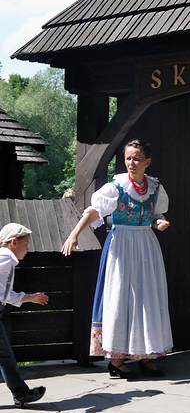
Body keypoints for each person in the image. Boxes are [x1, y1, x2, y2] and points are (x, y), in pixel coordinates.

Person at [62, 139, 172, 379]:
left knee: (147, 296)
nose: (131, 163)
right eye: (128, 158)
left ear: (147, 162)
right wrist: (74, 233)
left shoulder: (154, 186)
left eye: (136, 158)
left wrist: (158, 221)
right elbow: (95, 210)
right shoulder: (117, 185)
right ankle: (116, 360)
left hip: (145, 245)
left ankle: (146, 355)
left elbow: (155, 213)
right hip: (121, 244)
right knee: (120, 296)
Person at [0, 223, 48, 408]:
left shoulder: (7, 261)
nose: (27, 249)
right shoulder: (5, 257)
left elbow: (6, 295)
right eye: (25, 244)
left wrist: (31, 298)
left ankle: (21, 394)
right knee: (5, 356)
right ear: (14, 242)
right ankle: (21, 394)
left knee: (5, 356)